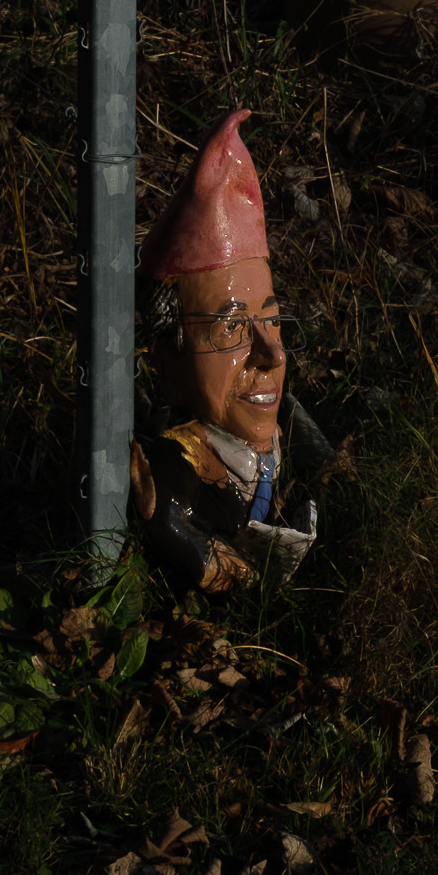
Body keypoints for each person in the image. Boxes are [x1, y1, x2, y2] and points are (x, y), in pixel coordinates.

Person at [130, 109, 319, 590]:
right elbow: (172, 527)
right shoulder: (185, 457)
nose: (273, 355)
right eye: (232, 329)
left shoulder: (278, 426)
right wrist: (230, 569)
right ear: (168, 361)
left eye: (272, 320)